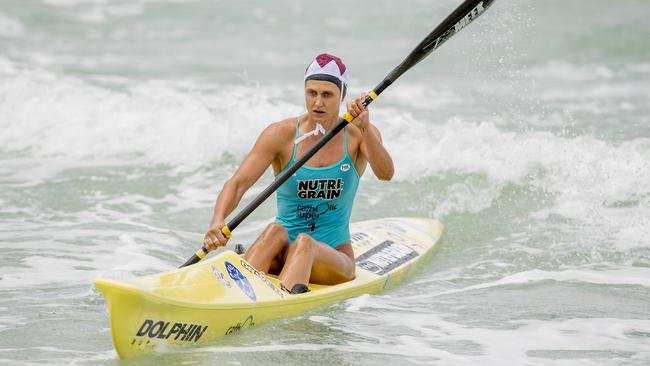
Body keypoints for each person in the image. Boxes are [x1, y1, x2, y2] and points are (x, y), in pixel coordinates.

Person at [203, 53, 394, 294]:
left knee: (305, 243)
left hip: (333, 257)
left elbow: (386, 173)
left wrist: (365, 128)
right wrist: (218, 220)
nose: (318, 103)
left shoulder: (358, 134)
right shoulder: (281, 135)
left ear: (341, 95)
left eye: (327, 95)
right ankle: (233, 295)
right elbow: (238, 183)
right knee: (274, 230)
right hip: (281, 251)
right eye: (311, 93)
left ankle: (276, 300)